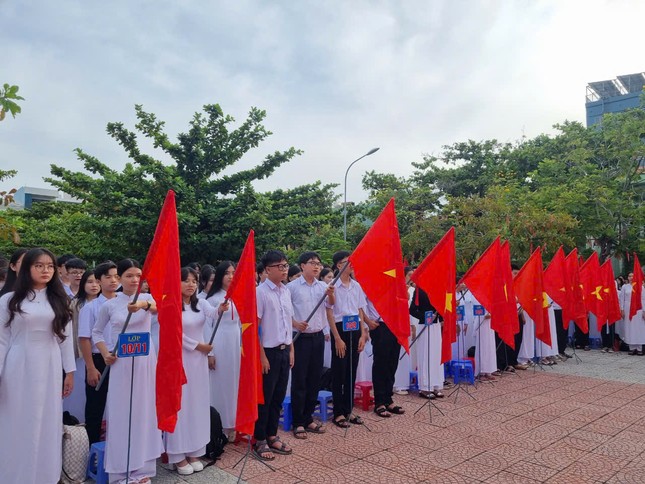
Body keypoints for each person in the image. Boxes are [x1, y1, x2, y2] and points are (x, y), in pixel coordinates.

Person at [0, 247, 76, 484]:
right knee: (17, 419)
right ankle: (14, 476)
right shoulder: (9, 300)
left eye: (50, 266)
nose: (46, 270)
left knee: (47, 419)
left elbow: (64, 338)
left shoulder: (60, 299)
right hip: (18, 363)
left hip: (50, 364)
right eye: (39, 266)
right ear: (26, 269)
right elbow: (1, 339)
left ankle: (45, 476)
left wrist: (70, 372)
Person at [92, 259, 163, 484]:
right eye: (129, 275)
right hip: (121, 364)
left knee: (144, 411)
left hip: (145, 363)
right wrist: (105, 354)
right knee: (122, 412)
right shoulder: (110, 304)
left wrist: (142, 305)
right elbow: (97, 333)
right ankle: (121, 472)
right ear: (119, 278)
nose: (134, 280)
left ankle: (142, 469)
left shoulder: (148, 299)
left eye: (138, 276)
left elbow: (163, 309)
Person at [165, 267, 215, 475]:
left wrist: (225, 305)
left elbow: (216, 314)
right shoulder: (172, 305)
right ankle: (177, 455)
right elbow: (174, 333)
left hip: (199, 363)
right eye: (185, 281)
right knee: (181, 405)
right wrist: (198, 346)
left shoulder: (201, 304)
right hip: (180, 360)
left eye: (194, 281)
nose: (190, 285)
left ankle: (195, 451)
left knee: (198, 404)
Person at [287, 251, 334, 438]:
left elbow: (331, 306)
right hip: (300, 338)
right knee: (300, 380)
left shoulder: (323, 286)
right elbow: (284, 313)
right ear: (302, 265)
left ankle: (308, 419)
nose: (316, 266)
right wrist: (295, 323)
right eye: (312, 263)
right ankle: (298, 422)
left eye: (318, 263)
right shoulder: (291, 288)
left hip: (318, 337)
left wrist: (330, 295)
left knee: (315, 378)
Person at [253, 250, 295, 461]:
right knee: (265, 398)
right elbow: (255, 327)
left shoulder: (285, 291)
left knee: (278, 395)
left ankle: (272, 434)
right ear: (268, 270)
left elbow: (287, 323)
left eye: (286, 266)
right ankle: (259, 438)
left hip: (283, 349)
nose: (284, 270)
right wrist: (261, 356)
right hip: (267, 352)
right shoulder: (260, 292)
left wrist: (291, 349)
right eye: (280, 266)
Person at [79, 261, 120, 446]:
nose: (113, 280)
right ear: (99, 280)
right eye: (108, 277)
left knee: (120, 405)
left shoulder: (126, 304)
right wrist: (90, 367)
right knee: (96, 406)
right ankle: (91, 447)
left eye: (117, 276)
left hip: (123, 359)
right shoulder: (91, 307)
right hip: (100, 360)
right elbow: (85, 338)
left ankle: (117, 444)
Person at [329, 251, 368, 428]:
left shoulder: (356, 286)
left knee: (351, 371)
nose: (352, 264)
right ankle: (338, 413)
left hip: (354, 328)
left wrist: (363, 333)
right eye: (347, 262)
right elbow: (329, 312)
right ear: (339, 265)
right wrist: (337, 337)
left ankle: (349, 410)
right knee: (339, 372)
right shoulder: (332, 286)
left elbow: (360, 310)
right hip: (340, 329)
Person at [205, 261, 241, 441]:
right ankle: (220, 426)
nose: (231, 276)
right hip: (220, 345)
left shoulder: (236, 296)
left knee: (233, 384)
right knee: (220, 386)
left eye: (233, 273)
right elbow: (206, 328)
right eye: (227, 273)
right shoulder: (211, 300)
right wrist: (210, 354)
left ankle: (232, 423)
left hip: (235, 345)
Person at [65, 269, 101, 421]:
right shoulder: (75, 304)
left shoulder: (107, 303)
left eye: (97, 282)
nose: (94, 285)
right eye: (90, 282)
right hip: (79, 352)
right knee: (80, 390)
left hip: (101, 352)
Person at [367, 297, 405, 417]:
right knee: (381, 364)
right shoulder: (369, 282)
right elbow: (361, 305)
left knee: (392, 363)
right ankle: (379, 402)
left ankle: (388, 399)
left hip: (395, 324)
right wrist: (367, 322)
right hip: (380, 325)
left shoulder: (393, 283)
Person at [410, 288, 445, 399]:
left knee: (436, 355)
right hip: (425, 326)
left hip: (436, 326)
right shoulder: (419, 290)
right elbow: (412, 310)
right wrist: (425, 317)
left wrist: (441, 316)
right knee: (426, 356)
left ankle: (436, 385)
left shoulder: (438, 290)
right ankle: (425, 387)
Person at [620, 273, 645, 355]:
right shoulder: (624, 287)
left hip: (638, 309)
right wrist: (622, 309)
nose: (631, 277)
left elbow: (643, 299)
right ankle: (631, 347)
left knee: (638, 328)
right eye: (629, 276)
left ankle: (639, 348)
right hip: (628, 309)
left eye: (633, 276)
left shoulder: (640, 287)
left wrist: (644, 311)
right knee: (629, 327)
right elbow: (622, 299)